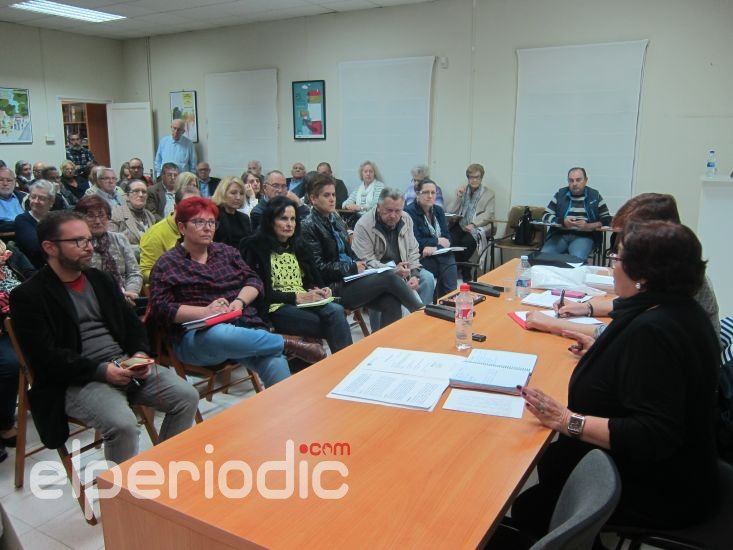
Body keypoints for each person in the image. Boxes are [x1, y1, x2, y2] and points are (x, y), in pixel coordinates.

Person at [511, 220, 720, 538]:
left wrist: (567, 420)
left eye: (618, 258)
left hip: (662, 488)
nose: (612, 267)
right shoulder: (678, 310)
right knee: (546, 473)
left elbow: (652, 433)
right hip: (679, 470)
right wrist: (606, 356)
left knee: (531, 508)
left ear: (643, 275)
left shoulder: (656, 330)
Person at [9, 210, 198, 461]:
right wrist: (102, 371)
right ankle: (119, 487)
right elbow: (46, 358)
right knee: (123, 426)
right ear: (50, 247)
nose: (89, 247)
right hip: (76, 379)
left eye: (89, 239)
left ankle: (165, 466)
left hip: (124, 363)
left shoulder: (100, 279)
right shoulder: (28, 296)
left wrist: (139, 354)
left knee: (187, 396)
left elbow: (132, 325)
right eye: (78, 241)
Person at [149, 197, 323, 386]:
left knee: (273, 359)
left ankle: (284, 402)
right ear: (182, 228)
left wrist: (239, 302)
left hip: (243, 324)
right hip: (198, 336)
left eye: (211, 222)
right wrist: (206, 312)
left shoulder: (226, 252)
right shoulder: (167, 264)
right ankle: (285, 343)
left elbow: (254, 280)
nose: (207, 228)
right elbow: (161, 308)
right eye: (199, 222)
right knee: (220, 333)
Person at [526, 193, 721, 344]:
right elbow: (627, 305)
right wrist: (586, 307)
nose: (615, 262)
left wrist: (554, 324)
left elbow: (620, 335)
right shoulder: (667, 273)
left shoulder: (673, 293)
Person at [302, 174, 423, 331]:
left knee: (392, 302)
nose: (332, 199)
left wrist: (360, 264)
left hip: (351, 279)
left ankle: (386, 344)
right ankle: (422, 315)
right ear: (313, 198)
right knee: (390, 276)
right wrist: (353, 267)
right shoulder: (308, 226)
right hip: (331, 288)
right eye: (326, 195)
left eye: (333, 195)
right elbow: (318, 269)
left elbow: (350, 254)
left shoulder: (335, 219)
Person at [242, 196, 352, 353]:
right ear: (270, 221)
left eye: (293, 219)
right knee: (331, 323)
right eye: (283, 218)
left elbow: (312, 280)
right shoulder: (255, 247)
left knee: (336, 311)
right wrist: (295, 297)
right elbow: (259, 291)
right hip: (276, 306)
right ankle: (346, 362)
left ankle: (340, 361)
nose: (289, 224)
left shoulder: (299, 245)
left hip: (304, 301)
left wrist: (320, 289)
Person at [352, 187, 435, 306]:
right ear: (378, 207)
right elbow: (366, 261)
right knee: (386, 293)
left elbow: (413, 250)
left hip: (404, 270)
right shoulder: (363, 225)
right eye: (389, 210)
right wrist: (393, 270)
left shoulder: (406, 219)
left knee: (427, 278)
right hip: (379, 274)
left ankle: (421, 316)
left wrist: (414, 274)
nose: (393, 215)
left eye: (397, 211)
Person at [0, 239, 36, 463]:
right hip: (3, 328)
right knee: (10, 365)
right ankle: (4, 423)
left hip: (22, 320)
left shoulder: (10, 251)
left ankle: (50, 400)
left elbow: (34, 277)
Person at [75, 195, 142, 308]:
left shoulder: (119, 239)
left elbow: (134, 273)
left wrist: (130, 292)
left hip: (126, 297)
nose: (97, 221)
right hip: (92, 302)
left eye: (101, 215)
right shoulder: (78, 244)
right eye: (90, 216)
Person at [539, 167, 612, 261]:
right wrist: (562, 222)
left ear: (586, 180)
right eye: (571, 180)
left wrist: (588, 226)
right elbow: (545, 215)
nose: (574, 184)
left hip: (584, 236)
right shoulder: (560, 194)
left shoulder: (595, 196)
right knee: (543, 257)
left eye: (578, 180)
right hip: (559, 235)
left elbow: (607, 219)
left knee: (577, 259)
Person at [405, 179, 458, 296]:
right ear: (418, 194)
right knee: (447, 263)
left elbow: (448, 239)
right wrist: (437, 241)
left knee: (448, 259)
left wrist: (435, 247)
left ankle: (446, 297)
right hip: (419, 256)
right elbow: (415, 241)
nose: (430, 196)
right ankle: (449, 297)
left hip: (436, 252)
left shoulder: (438, 210)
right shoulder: (409, 212)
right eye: (426, 192)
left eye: (433, 193)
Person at [139, 186, 200, 282]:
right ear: (175, 207)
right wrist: (172, 277)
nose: (193, 211)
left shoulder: (201, 229)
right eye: (188, 206)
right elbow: (145, 271)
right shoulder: (155, 234)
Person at [446, 163, 495, 280]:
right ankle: (465, 267)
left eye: (477, 177)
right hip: (461, 224)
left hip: (478, 226)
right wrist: (458, 197)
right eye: (471, 177)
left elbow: (488, 214)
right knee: (451, 241)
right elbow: (450, 211)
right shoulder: (462, 190)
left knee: (466, 242)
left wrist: (473, 224)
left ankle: (462, 268)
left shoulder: (489, 194)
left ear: (481, 178)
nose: (474, 180)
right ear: (468, 178)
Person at [109, 180, 157, 258]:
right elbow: (112, 245)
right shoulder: (116, 213)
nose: (141, 195)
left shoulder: (150, 216)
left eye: (144, 192)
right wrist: (142, 250)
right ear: (127, 196)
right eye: (136, 191)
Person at [15, 180, 55, 268]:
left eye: (41, 198)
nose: (36, 201)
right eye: (33, 197)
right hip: (37, 268)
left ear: (51, 201)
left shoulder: (56, 218)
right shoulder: (22, 220)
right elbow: (35, 248)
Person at [211, 176, 252, 247]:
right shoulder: (214, 215)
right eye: (233, 193)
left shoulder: (244, 218)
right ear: (223, 193)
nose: (238, 197)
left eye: (241, 193)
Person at [0, 167, 27, 232]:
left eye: (9, 180)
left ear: (14, 182)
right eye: (1, 180)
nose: (5, 184)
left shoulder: (25, 198)